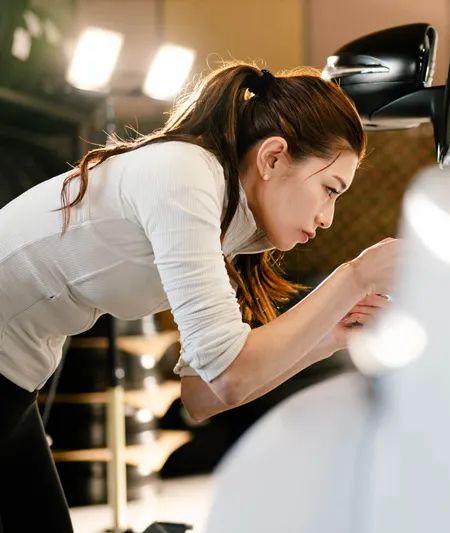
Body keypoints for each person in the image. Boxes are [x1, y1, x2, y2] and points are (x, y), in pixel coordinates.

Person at [0, 61, 401, 533]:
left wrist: (330, 336)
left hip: (14, 376)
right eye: (329, 189)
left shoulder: (227, 220)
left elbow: (202, 395)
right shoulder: (184, 176)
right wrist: (353, 278)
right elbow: (229, 377)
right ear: (273, 158)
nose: (329, 217)